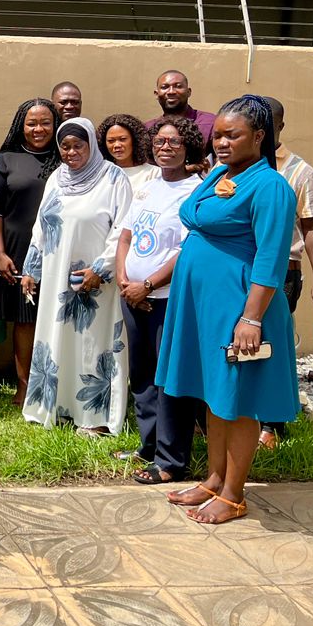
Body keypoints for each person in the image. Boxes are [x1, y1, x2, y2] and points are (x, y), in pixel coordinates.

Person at [159, 96, 298, 525]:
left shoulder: (271, 186)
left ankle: (234, 495)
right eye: (217, 135)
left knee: (237, 399)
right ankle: (214, 480)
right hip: (203, 307)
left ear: (259, 136)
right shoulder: (220, 173)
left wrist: (251, 318)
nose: (221, 143)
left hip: (239, 305)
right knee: (214, 395)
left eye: (232, 135)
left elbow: (271, 258)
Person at [20, 117, 133, 435]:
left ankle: (95, 418)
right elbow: (42, 225)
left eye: (78, 145)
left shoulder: (113, 178)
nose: (71, 152)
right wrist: (31, 268)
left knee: (92, 344)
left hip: (96, 282)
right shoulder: (56, 178)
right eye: (65, 147)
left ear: (92, 145)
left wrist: (100, 269)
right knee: (56, 338)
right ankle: (54, 407)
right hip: (57, 276)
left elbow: (123, 229)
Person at [114, 117, 204, 483]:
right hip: (132, 295)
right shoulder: (148, 187)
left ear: (189, 147)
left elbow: (187, 251)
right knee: (143, 375)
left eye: (174, 142)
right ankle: (148, 446)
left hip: (166, 298)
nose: (165, 147)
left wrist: (148, 284)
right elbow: (126, 236)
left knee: (170, 378)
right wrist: (124, 280)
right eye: (159, 142)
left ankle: (171, 461)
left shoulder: (195, 191)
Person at [259, 96, 313, 450]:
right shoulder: (231, 166)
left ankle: (271, 424)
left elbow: (312, 227)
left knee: (272, 344)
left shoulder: (300, 172)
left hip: (281, 273)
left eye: (267, 123)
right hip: (237, 270)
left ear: (280, 126)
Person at [0, 98, 61, 406]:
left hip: (60, 247)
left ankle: (56, 384)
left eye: (45, 123)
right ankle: (25, 387)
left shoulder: (66, 156)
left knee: (58, 317)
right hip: (17, 248)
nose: (38, 129)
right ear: (21, 125)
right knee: (25, 319)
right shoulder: (6, 159)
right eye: (31, 123)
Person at [145, 70, 216, 143]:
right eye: (164, 87)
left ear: (188, 92)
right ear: (156, 94)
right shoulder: (147, 129)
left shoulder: (210, 123)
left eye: (178, 86)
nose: (171, 92)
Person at [98, 113, 158, 189]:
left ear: (135, 140)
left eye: (122, 139)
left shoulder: (153, 173)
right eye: (111, 141)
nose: (117, 145)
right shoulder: (100, 175)